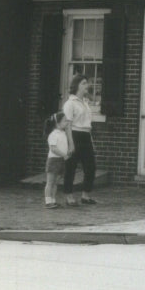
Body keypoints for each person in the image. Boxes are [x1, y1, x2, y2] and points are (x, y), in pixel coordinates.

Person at [62, 73, 97, 206]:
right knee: (71, 167)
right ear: (76, 86)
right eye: (83, 83)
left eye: (86, 83)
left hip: (86, 136)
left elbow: (88, 125)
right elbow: (68, 125)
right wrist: (71, 143)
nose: (86, 86)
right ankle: (69, 196)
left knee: (91, 167)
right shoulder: (70, 104)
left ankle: (85, 195)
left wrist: (91, 142)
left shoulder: (86, 103)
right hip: (74, 135)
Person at [44, 111, 71, 209]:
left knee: (56, 182)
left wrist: (65, 154)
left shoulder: (63, 133)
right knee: (50, 182)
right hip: (54, 161)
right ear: (57, 123)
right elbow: (53, 148)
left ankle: (53, 200)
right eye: (64, 121)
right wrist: (64, 155)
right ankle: (48, 201)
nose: (67, 122)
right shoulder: (53, 134)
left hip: (61, 160)